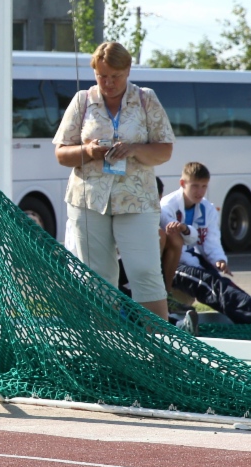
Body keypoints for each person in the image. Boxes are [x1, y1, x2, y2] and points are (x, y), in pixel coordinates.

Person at [54, 41, 176, 320]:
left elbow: (165, 150)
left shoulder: (146, 99)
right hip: (88, 199)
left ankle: (157, 347)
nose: (108, 83)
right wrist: (87, 151)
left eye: (115, 76)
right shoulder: (82, 100)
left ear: (128, 70)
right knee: (96, 278)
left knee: (145, 270)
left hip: (137, 199)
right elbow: (61, 153)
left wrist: (133, 149)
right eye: (101, 75)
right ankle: (107, 349)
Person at [159, 162, 251, 326]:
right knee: (206, 284)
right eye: (195, 186)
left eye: (204, 186)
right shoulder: (167, 206)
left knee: (218, 282)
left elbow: (211, 239)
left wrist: (218, 259)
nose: (200, 191)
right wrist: (185, 230)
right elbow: (182, 239)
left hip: (192, 262)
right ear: (182, 183)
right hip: (173, 264)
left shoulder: (206, 208)